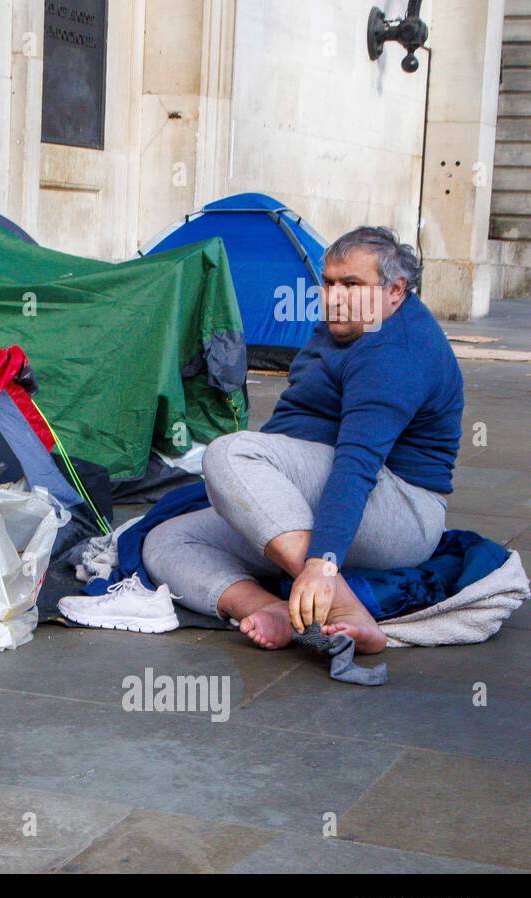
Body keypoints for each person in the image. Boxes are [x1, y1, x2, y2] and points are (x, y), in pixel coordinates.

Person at [140, 226, 464, 653]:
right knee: (168, 540)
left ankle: (340, 603)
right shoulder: (346, 325)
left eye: (352, 285)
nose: (335, 297)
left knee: (229, 453)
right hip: (326, 486)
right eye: (329, 283)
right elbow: (296, 428)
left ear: (396, 290)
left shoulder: (395, 352)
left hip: (402, 511)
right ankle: (271, 609)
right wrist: (249, 500)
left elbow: (356, 465)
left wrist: (322, 563)